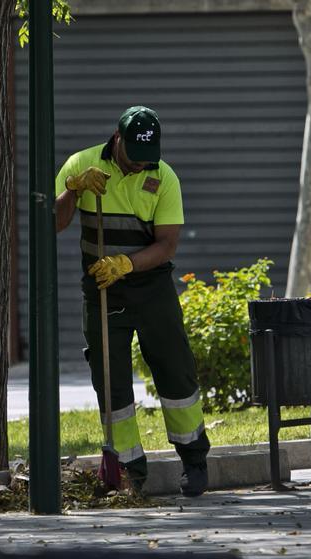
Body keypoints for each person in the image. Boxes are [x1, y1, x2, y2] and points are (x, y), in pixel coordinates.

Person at [54, 105, 210, 497]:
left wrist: (126, 263)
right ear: (117, 140)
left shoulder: (163, 176)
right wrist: (72, 189)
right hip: (102, 290)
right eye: (136, 158)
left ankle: (194, 459)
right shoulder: (83, 163)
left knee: (175, 369)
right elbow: (53, 223)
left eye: (149, 159)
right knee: (111, 381)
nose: (143, 166)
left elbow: (167, 245)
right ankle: (128, 471)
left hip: (151, 284)